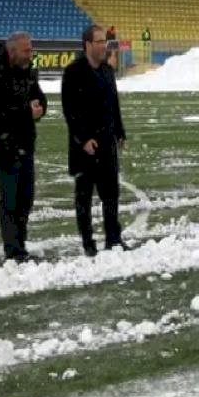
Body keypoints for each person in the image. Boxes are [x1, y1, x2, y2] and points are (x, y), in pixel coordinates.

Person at [62, 24, 129, 256]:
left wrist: (120, 132)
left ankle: (113, 238)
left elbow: (114, 104)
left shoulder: (107, 71)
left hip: (107, 141)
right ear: (88, 44)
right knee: (84, 196)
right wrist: (83, 139)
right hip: (86, 146)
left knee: (111, 193)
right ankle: (88, 243)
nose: (104, 46)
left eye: (105, 41)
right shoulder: (73, 72)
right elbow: (70, 110)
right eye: (100, 41)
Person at [0, 32, 46, 263]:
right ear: (12, 51)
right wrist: (26, 111)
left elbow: (40, 99)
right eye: (26, 50)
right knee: (10, 200)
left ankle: (21, 244)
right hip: (4, 146)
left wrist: (39, 109)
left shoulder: (29, 72)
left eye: (31, 50)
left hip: (26, 144)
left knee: (25, 199)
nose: (31, 54)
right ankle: (14, 251)